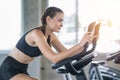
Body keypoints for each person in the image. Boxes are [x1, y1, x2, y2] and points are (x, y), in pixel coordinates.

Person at [0, 7, 96, 80]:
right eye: (59, 20)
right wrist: (80, 44)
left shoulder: (51, 36)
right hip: (10, 69)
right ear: (48, 19)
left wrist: (87, 43)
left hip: (22, 69)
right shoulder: (36, 34)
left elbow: (67, 53)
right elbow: (54, 58)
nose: (62, 24)